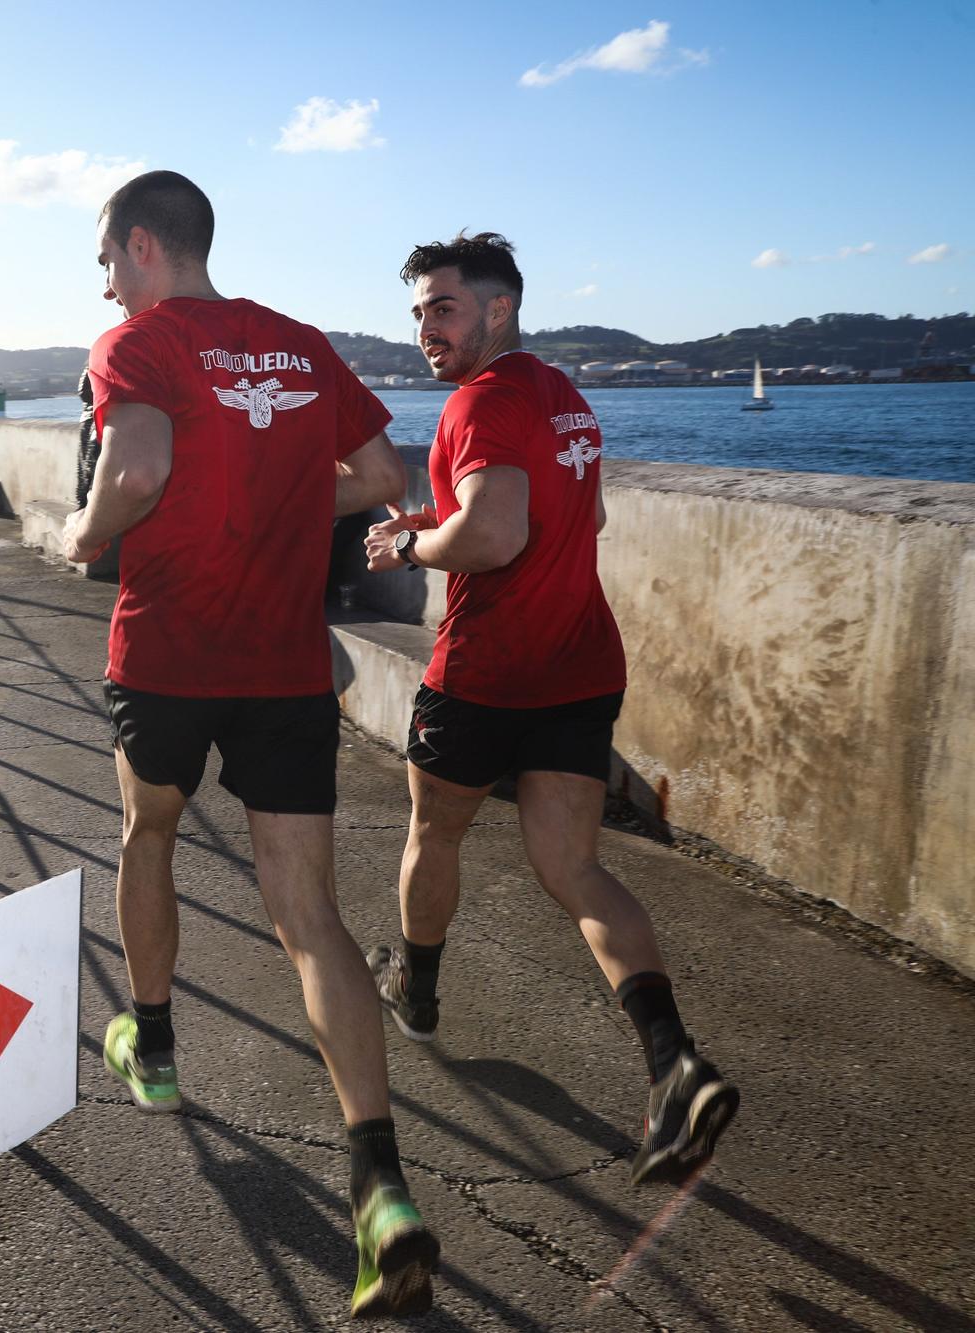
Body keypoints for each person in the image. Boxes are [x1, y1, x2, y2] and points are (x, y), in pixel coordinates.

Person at [61, 171, 429, 1317]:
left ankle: (154, 1044)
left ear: (139, 249)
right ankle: (381, 1189)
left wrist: (81, 533)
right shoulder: (297, 344)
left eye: (106, 261)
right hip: (280, 667)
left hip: (168, 656)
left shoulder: (137, 341)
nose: (104, 283)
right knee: (308, 919)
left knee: (147, 835)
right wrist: (268, 491)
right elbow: (382, 479)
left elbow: (133, 472)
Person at [363, 232, 738, 1188]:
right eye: (416, 314)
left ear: (498, 307)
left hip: (487, 673)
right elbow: (584, 520)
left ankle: (417, 994)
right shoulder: (562, 394)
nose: (425, 330)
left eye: (442, 308)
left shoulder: (482, 400)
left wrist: (410, 550)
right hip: (579, 663)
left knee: (432, 834)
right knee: (573, 867)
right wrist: (437, 522)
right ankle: (673, 1062)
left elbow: (491, 534)